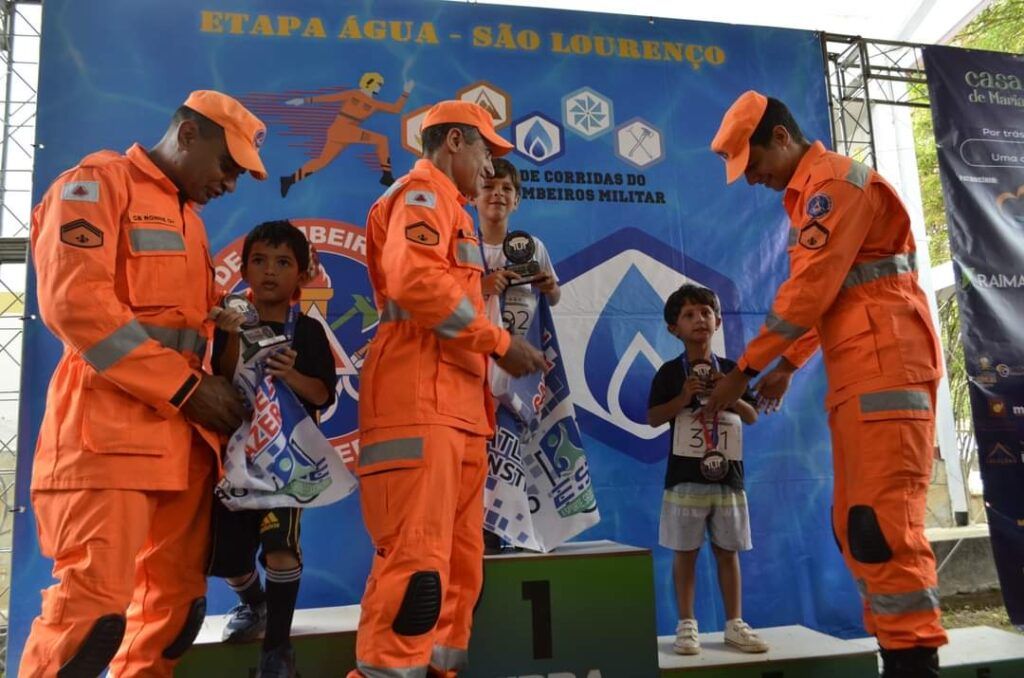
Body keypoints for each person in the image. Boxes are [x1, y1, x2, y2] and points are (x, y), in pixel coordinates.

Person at [21, 90, 263, 677]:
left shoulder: (193, 224)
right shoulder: (95, 185)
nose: (231, 183)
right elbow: (75, 304)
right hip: (107, 440)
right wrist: (186, 389)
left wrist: (226, 345)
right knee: (91, 619)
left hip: (183, 450)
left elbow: (188, 331)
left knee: (174, 615)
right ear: (186, 135)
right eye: (226, 165)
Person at [705, 90, 947, 677]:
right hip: (862, 366)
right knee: (855, 526)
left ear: (781, 138)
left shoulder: (835, 186)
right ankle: (901, 654)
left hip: (887, 366)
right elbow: (835, 294)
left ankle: (914, 663)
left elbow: (809, 293)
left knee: (880, 528)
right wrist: (788, 365)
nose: (754, 180)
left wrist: (742, 372)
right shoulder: (812, 197)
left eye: (755, 164)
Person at [350, 100, 546, 677]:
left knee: (460, 576)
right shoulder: (422, 193)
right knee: (417, 578)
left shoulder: (452, 211)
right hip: (417, 399)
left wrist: (483, 289)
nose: (490, 165)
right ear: (456, 141)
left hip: (460, 408)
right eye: (486, 149)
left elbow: (439, 285)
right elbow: (414, 282)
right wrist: (500, 342)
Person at [206, 221, 338, 678]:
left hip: (286, 463)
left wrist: (291, 376)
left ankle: (277, 649)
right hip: (232, 458)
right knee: (226, 557)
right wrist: (232, 338)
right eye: (259, 261)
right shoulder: (229, 323)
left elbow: (323, 395)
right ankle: (254, 603)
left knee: (280, 547)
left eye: (283, 263)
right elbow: (221, 380)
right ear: (242, 270)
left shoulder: (309, 333)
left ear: (301, 277)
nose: (269, 272)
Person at [647, 284, 767, 656]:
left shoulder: (733, 371)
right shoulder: (669, 373)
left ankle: (734, 623)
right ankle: (686, 625)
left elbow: (752, 415)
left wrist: (727, 392)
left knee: (727, 551)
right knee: (686, 553)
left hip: (728, 477)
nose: (699, 319)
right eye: (688, 315)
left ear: (718, 321)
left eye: (705, 312)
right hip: (684, 478)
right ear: (673, 329)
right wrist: (683, 397)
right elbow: (653, 418)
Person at [473, 156, 559, 553]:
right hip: (474, 369)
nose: (498, 194)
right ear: (475, 194)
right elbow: (446, 301)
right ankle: (482, 536)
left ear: (518, 200)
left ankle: (513, 532)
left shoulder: (533, 246)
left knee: (510, 455)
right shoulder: (464, 243)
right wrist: (485, 285)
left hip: (518, 373)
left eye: (507, 189)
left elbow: (553, 298)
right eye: (490, 187)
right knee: (477, 460)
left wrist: (548, 285)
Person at [280, 72, 413, 195]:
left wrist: (406, 92)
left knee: (321, 162)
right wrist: (304, 101)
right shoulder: (353, 94)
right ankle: (387, 176)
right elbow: (330, 98)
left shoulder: (374, 103)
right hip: (342, 129)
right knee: (381, 140)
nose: (380, 87)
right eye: (379, 84)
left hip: (344, 133)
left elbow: (395, 109)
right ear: (370, 82)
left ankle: (289, 180)